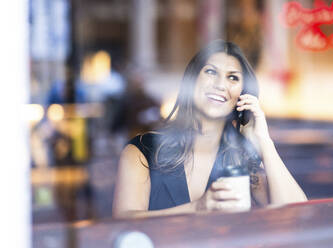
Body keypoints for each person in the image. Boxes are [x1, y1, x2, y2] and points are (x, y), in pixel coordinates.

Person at [113, 40, 307, 218]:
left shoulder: (243, 159)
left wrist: (264, 140)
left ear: (242, 95)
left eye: (232, 77)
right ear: (192, 80)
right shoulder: (143, 151)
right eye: (211, 72)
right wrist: (198, 207)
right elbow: (123, 221)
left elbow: (296, 216)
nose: (220, 85)